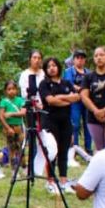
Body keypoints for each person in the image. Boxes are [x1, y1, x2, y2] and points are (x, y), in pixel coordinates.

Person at [40, 56, 79, 193]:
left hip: (66, 121)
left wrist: (60, 98)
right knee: (52, 151)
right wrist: (66, 99)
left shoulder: (67, 83)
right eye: (49, 66)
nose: (52, 68)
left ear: (58, 67)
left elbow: (76, 97)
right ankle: (50, 181)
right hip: (50, 121)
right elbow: (50, 100)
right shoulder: (44, 84)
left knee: (64, 151)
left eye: (54, 65)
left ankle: (63, 181)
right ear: (45, 69)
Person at [18, 50, 46, 173]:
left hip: (44, 109)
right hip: (31, 109)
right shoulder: (25, 75)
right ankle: (31, 165)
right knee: (32, 136)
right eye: (34, 57)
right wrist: (35, 102)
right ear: (30, 59)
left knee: (44, 136)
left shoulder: (44, 74)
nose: (37, 60)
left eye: (39, 58)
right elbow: (25, 93)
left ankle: (43, 164)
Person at [64, 49, 92, 154]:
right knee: (74, 124)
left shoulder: (89, 72)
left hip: (87, 101)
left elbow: (91, 85)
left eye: (82, 58)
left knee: (88, 124)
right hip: (75, 101)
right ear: (74, 59)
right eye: (77, 58)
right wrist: (82, 90)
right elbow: (69, 84)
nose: (80, 60)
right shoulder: (68, 71)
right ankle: (74, 148)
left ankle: (88, 148)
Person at [0, 80, 26, 175]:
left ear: (17, 90)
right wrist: (8, 128)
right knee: (12, 149)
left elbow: (23, 112)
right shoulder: (3, 101)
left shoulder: (20, 100)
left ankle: (24, 166)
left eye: (13, 89)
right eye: (9, 89)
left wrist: (11, 114)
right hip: (8, 128)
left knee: (21, 148)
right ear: (6, 91)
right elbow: (1, 116)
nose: (11, 91)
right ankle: (14, 169)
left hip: (19, 128)